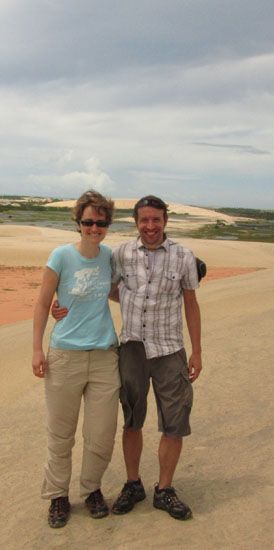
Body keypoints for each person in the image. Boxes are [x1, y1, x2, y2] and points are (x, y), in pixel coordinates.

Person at [109, 195, 202, 521]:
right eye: (144, 220)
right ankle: (133, 484)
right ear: (136, 222)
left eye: (156, 220)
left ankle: (165, 490)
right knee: (132, 419)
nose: (150, 227)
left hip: (169, 350)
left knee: (174, 422)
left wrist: (197, 351)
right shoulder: (121, 254)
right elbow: (109, 289)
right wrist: (133, 303)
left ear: (165, 221)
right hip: (132, 348)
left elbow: (190, 303)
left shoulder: (183, 256)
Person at [32, 190, 120, 528]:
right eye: (88, 222)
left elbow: (112, 291)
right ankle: (57, 496)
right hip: (64, 355)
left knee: (100, 433)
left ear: (108, 224)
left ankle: (92, 489)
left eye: (101, 222)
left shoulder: (109, 256)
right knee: (61, 434)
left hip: (103, 356)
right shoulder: (61, 257)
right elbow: (42, 303)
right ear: (78, 223)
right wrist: (37, 349)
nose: (94, 228)